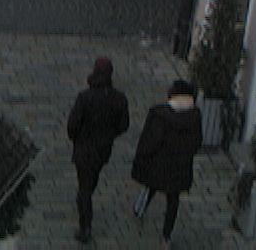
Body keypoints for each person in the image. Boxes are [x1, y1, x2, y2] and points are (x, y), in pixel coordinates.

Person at [66, 56, 132, 243]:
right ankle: (85, 207)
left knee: (84, 187)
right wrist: (109, 136)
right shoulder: (119, 99)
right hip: (103, 150)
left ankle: (85, 225)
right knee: (91, 180)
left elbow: (72, 125)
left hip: (84, 148)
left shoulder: (85, 98)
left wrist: (76, 138)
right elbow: (124, 125)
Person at [129, 80, 201, 247]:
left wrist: (141, 157)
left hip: (159, 163)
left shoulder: (160, 115)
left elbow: (150, 142)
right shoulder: (195, 116)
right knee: (173, 200)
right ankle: (166, 236)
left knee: (151, 185)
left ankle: (140, 208)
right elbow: (197, 142)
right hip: (181, 167)